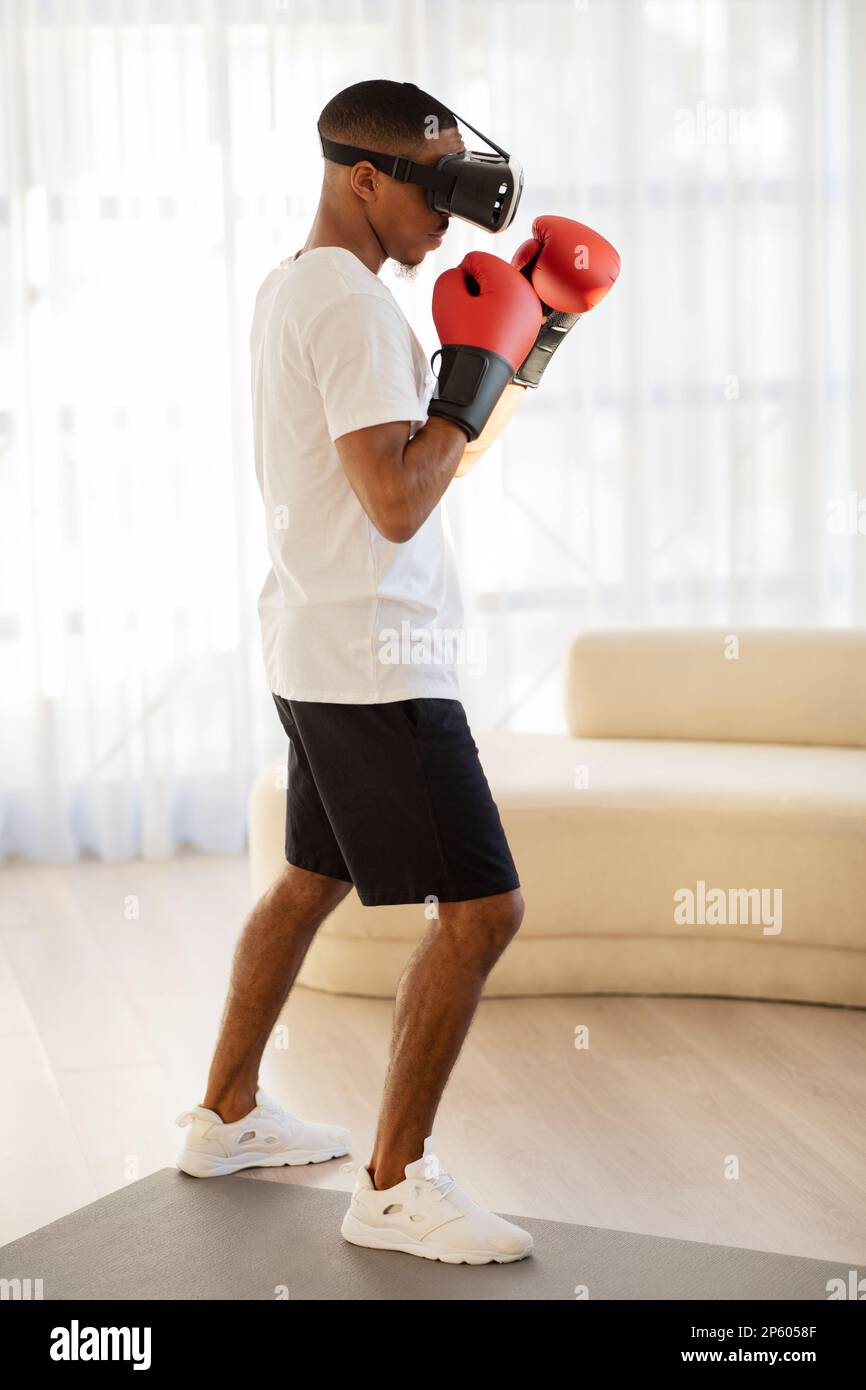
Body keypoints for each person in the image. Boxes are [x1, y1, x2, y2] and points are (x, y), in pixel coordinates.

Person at [176, 78, 537, 1265]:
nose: (447, 210)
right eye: (430, 187)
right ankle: (392, 1184)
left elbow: (413, 472)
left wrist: (503, 370)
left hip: (320, 641)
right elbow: (395, 504)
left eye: (457, 183)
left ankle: (225, 1115)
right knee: (482, 911)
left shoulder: (304, 284)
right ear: (360, 178)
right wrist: (473, 371)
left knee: (305, 880)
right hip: (376, 662)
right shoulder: (349, 305)